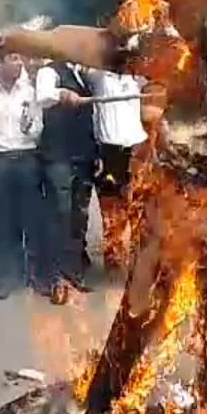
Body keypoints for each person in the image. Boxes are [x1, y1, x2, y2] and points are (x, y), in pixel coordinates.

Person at [0, 45, 43, 300]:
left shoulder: (29, 92)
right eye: (13, 59)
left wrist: (30, 128)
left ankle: (34, 275)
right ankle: (6, 277)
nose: (19, 63)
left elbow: (38, 129)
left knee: (31, 217)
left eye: (20, 58)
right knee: (2, 219)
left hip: (26, 158)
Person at [36, 59, 99, 301]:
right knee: (59, 216)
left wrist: (94, 151)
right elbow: (43, 96)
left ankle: (73, 273)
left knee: (79, 219)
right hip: (58, 157)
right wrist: (62, 94)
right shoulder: (49, 71)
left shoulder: (83, 75)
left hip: (83, 156)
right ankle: (55, 279)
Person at [89, 69, 148, 273]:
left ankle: (140, 262)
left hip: (137, 148)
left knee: (139, 205)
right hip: (109, 149)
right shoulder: (97, 76)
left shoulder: (137, 77)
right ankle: (114, 261)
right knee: (111, 208)